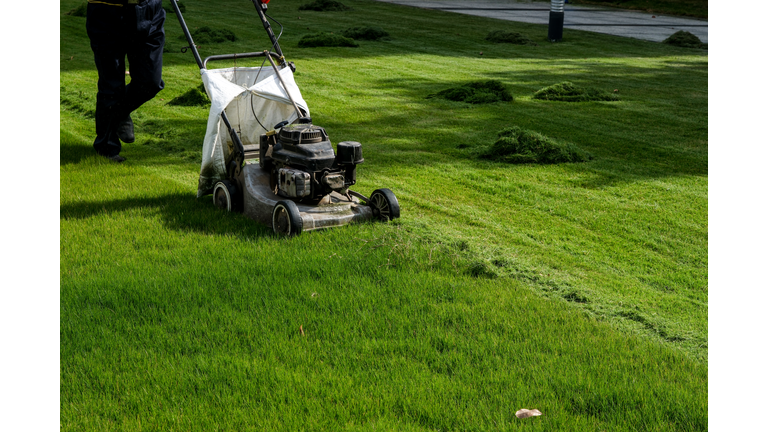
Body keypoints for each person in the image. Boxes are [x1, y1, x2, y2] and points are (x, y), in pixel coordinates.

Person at [86, 0, 166, 162]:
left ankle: (119, 112)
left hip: (149, 10)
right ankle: (107, 149)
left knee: (150, 82)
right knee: (111, 85)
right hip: (107, 11)